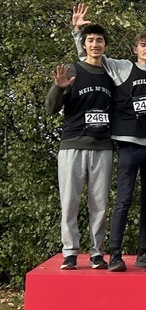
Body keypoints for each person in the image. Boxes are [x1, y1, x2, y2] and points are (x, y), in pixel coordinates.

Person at [70, 4, 146, 271]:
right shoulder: (123, 67)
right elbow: (91, 54)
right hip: (128, 144)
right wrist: (78, 31)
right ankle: (114, 254)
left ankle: (145, 252)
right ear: (135, 49)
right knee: (124, 200)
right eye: (143, 45)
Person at [46, 23, 115, 270]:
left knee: (100, 204)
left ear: (105, 46)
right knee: (70, 201)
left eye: (99, 40)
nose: (95, 44)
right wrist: (58, 88)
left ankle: (97, 253)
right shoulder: (72, 70)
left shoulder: (111, 74)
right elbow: (51, 108)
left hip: (102, 147)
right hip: (72, 145)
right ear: (84, 44)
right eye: (91, 40)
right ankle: (70, 252)